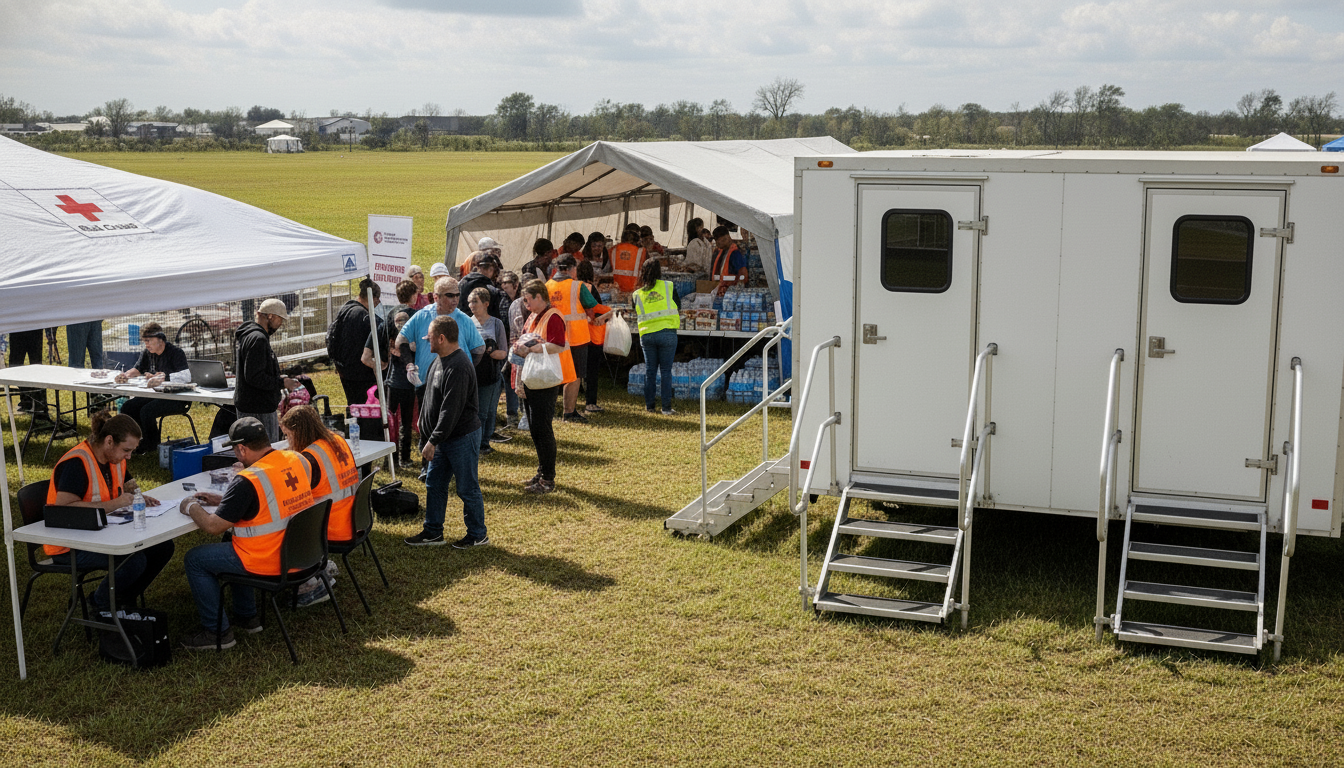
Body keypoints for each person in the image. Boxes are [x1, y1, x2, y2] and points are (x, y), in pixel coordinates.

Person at [179, 417, 315, 650]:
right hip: (302, 551)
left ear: (241, 448)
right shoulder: (296, 459)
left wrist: (190, 506)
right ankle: (247, 617)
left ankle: (217, 632)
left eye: (235, 450)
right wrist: (226, 501)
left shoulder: (249, 479)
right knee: (231, 539)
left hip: (269, 559)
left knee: (195, 560)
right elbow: (274, 500)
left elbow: (213, 527)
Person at [46, 411, 175, 613]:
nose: (129, 456)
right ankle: (100, 604)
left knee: (163, 547)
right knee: (133, 560)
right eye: (126, 450)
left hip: (101, 533)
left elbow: (128, 482)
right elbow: (63, 509)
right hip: (69, 544)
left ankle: (123, 598)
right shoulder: (77, 463)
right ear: (109, 441)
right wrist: (115, 504)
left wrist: (140, 495)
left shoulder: (116, 458)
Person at [405, 315, 487, 548]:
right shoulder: (437, 361)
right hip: (441, 439)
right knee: (435, 483)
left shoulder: (459, 365)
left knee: (467, 487)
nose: (426, 341)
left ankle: (477, 534)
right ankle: (433, 532)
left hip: (460, 437)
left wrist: (433, 441)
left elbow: (451, 410)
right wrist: (424, 427)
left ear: (441, 338)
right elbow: (430, 398)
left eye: (429, 337)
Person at [281, 405, 361, 606]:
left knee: (281, 522)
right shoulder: (337, 440)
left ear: (299, 432)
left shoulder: (310, 458)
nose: (287, 441)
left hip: (330, 527)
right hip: (353, 517)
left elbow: (290, 493)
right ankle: (321, 571)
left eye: (288, 436)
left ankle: (310, 584)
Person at [395, 276, 485, 418]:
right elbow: (401, 341)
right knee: (428, 424)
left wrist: (466, 368)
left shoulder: (464, 319)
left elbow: (479, 349)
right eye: (450, 295)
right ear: (436, 297)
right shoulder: (422, 316)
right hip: (426, 382)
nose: (455, 299)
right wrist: (409, 365)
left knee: (452, 425)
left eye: (457, 295)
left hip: (456, 384)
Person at [513, 279, 573, 494]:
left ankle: (548, 478)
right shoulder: (534, 315)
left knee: (542, 428)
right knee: (535, 429)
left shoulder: (553, 315)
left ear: (539, 297)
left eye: (528, 300)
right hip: (532, 377)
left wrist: (531, 349)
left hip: (544, 379)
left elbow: (559, 344)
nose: (526, 304)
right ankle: (542, 471)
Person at [115, 321, 191, 454]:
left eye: (149, 340)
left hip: (176, 398)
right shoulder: (148, 353)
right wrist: (125, 375)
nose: (147, 344)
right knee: (128, 406)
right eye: (145, 341)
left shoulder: (176, 352)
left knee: (146, 411)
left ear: (160, 339)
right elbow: (138, 369)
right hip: (154, 395)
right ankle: (134, 442)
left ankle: (151, 445)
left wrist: (162, 378)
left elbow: (186, 376)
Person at [234, 298, 301, 442]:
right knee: (265, 452)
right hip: (258, 408)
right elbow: (254, 376)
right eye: (280, 319)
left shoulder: (249, 335)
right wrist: (282, 382)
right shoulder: (258, 339)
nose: (280, 324)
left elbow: (254, 370)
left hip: (251, 405)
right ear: (270, 316)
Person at [546, 254, 600, 423]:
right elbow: (592, 305)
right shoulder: (578, 286)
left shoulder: (546, 286)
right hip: (576, 337)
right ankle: (569, 412)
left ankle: (549, 409)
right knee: (574, 375)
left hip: (553, 337)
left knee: (553, 373)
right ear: (570, 269)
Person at [365, 307, 415, 465]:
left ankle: (394, 458)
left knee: (393, 421)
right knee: (399, 422)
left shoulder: (390, 331)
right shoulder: (410, 333)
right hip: (402, 382)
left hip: (397, 382)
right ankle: (401, 458)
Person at [327, 278, 383, 412]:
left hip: (344, 370)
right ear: (373, 298)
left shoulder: (346, 309)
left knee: (352, 405)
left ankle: (352, 427)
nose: (378, 303)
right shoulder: (364, 317)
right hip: (359, 373)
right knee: (361, 407)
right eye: (377, 299)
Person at [632, 260, 681, 414]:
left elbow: (636, 311)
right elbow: (678, 305)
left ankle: (650, 406)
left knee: (650, 371)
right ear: (659, 271)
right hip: (667, 333)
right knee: (666, 371)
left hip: (647, 335)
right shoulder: (668, 286)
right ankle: (666, 408)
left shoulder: (637, 294)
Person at [467, 287, 508, 454]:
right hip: (471, 374)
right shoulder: (467, 323)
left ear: (486, 303)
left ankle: (483, 443)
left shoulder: (497, 324)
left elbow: (504, 352)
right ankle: (475, 442)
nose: (471, 305)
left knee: (487, 411)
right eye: (469, 301)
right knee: (475, 410)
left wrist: (489, 352)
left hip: (490, 375)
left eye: (475, 301)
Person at [576, 260, 613, 414]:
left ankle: (572, 400)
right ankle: (590, 403)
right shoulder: (590, 288)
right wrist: (610, 312)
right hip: (592, 335)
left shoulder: (573, 288)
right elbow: (597, 309)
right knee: (592, 371)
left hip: (576, 334)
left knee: (575, 371)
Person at [498, 271, 523, 431]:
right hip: (505, 345)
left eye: (507, 282)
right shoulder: (501, 301)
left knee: (518, 378)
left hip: (519, 345)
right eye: (502, 283)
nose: (504, 285)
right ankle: (511, 414)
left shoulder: (522, 301)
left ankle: (518, 411)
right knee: (507, 378)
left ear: (515, 284)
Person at [507, 276, 532, 431]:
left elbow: (512, 332)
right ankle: (527, 417)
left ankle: (522, 415)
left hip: (519, 349)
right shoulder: (530, 306)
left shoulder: (515, 304)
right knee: (528, 384)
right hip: (531, 351)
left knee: (520, 385)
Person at [459, 254, 507, 327]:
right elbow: (496, 317)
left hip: (462, 328)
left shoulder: (461, 284)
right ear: (491, 269)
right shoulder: (491, 289)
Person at [710, 225, 748, 295]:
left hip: (730, 293)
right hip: (720, 291)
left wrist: (735, 290)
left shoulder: (735, 254)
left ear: (725, 238)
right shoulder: (722, 252)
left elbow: (743, 274)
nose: (717, 244)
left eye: (717, 241)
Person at [609, 229, 646, 294]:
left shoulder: (612, 250)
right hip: (635, 289)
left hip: (616, 290)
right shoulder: (641, 251)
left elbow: (607, 269)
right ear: (636, 241)